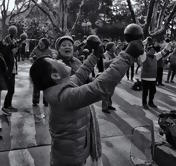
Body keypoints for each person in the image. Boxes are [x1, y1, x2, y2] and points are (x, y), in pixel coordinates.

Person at [30, 34, 144, 166]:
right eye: (56, 61)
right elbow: (99, 88)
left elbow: (81, 73)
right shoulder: (63, 97)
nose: (59, 60)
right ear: (55, 75)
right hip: (70, 160)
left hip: (77, 153)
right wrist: (127, 56)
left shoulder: (62, 85)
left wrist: (95, 55)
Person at [139, 37, 172, 109]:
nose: (153, 51)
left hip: (153, 78)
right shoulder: (144, 57)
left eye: (154, 50)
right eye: (151, 50)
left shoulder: (155, 57)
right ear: (147, 51)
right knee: (145, 92)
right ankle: (144, 103)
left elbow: (164, 52)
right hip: (145, 78)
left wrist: (169, 45)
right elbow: (141, 48)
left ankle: (150, 102)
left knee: (153, 92)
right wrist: (145, 41)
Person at [1, 26, 19, 115]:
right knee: (10, 90)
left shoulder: (13, 40)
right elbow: (9, 51)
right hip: (9, 70)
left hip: (13, 69)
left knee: (12, 90)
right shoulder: (8, 40)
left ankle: (9, 105)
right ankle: (5, 107)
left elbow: (14, 51)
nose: (15, 33)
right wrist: (14, 47)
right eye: (14, 31)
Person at [30, 38, 53, 107]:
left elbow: (52, 60)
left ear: (45, 45)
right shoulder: (36, 49)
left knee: (46, 87)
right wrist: (32, 58)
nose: (40, 45)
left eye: (42, 44)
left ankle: (46, 101)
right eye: (39, 43)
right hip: (37, 71)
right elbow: (31, 56)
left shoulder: (49, 51)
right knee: (36, 86)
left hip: (46, 71)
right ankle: (35, 101)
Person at [102, 42, 117, 113]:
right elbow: (105, 63)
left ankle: (109, 105)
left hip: (113, 75)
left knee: (111, 92)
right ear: (110, 48)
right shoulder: (105, 54)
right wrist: (115, 60)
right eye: (114, 46)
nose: (115, 47)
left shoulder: (113, 54)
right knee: (106, 92)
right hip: (108, 75)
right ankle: (104, 107)